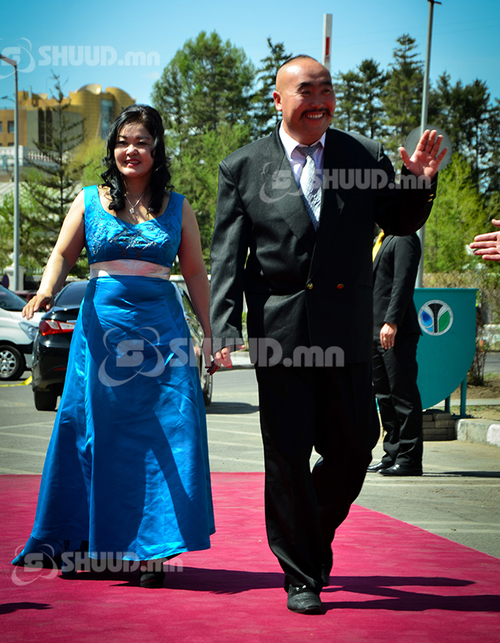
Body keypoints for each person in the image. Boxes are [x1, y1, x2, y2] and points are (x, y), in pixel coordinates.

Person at [209, 55, 445, 614]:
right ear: (278, 99)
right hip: (280, 333)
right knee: (287, 455)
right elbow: (227, 256)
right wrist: (222, 327)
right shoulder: (242, 166)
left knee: (356, 445)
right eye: (306, 91)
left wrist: (418, 182)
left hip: (345, 330)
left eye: (327, 90)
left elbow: (400, 221)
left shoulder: (363, 155)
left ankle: (309, 531)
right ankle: (300, 575)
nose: (319, 101)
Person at [12, 104, 215, 588]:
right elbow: (62, 254)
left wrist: (211, 333)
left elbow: (195, 273)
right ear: (112, 149)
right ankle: (83, 542)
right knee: (89, 433)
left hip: (162, 336)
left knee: (166, 435)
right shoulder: (88, 200)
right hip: (101, 335)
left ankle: (153, 553)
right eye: (123, 142)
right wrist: (46, 290)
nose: (131, 150)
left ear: (157, 149)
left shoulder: (179, 207)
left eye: (142, 142)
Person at [368, 232, 424, 476]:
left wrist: (392, 321)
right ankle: (392, 453)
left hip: (395, 330)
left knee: (402, 394)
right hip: (374, 330)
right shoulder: (380, 239)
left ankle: (409, 459)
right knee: (384, 395)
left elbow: (403, 282)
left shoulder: (404, 237)